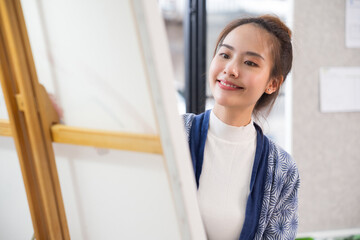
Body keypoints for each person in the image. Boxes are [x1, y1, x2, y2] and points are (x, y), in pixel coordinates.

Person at [183, 15, 300, 240]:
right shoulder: (174, 134)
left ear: (273, 83)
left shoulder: (282, 170)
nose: (230, 69)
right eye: (225, 55)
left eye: (250, 63)